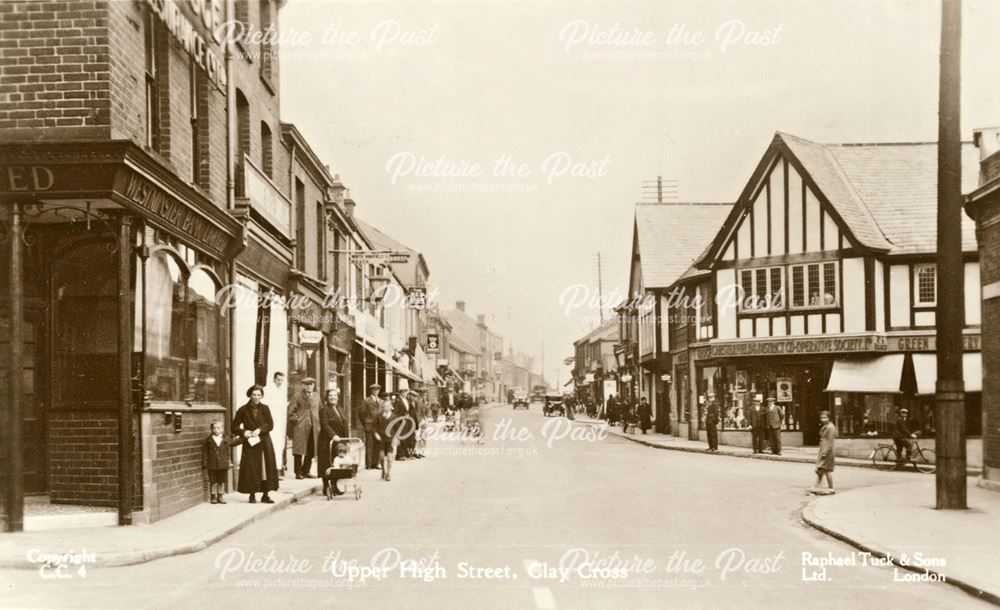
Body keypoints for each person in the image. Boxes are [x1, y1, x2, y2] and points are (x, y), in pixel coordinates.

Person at [233, 384, 279, 503]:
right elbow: (234, 426)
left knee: (265, 467)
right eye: (254, 394)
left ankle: (265, 494)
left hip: (264, 441)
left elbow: (270, 424)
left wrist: (260, 429)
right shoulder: (243, 409)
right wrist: (244, 431)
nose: (256, 397)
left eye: (259, 395)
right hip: (250, 443)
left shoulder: (265, 408)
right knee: (251, 468)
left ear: (262, 396)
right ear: (250, 395)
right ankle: (252, 494)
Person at [288, 377, 320, 479]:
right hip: (301, 426)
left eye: (311, 384)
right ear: (303, 385)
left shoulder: (316, 396)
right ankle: (298, 472)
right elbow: (290, 411)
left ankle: (306, 470)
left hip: (314, 427)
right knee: (299, 450)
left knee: (311, 449)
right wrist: (296, 420)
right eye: (306, 384)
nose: (309, 386)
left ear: (314, 385)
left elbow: (321, 409)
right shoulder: (297, 396)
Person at [318, 387, 348, 494]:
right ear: (327, 397)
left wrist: (346, 440)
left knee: (336, 464)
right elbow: (325, 425)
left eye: (335, 396)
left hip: (339, 442)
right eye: (330, 395)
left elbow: (344, 425)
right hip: (327, 441)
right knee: (326, 464)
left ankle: (335, 486)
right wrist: (333, 435)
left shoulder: (340, 409)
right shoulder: (324, 410)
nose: (333, 397)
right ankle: (326, 487)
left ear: (337, 397)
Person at [202, 421, 235, 504]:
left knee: (221, 480)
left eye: (218, 428)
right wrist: (205, 464)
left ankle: (220, 496)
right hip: (212, 464)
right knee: (213, 480)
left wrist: (245, 437)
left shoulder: (226, 439)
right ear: (211, 429)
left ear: (222, 429)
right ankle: (213, 496)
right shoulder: (208, 440)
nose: (215, 430)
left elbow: (234, 443)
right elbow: (205, 452)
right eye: (214, 428)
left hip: (223, 464)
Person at [358, 384, 382, 470]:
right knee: (369, 444)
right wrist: (365, 423)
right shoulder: (366, 400)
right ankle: (368, 464)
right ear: (371, 390)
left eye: (378, 389)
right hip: (369, 425)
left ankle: (376, 463)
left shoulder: (381, 401)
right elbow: (361, 413)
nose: (376, 391)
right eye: (374, 389)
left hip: (378, 426)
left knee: (377, 444)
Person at [375, 393, 397, 481]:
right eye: (384, 406)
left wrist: (397, 438)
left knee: (389, 456)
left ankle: (388, 473)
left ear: (391, 406)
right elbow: (374, 426)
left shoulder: (394, 416)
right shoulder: (379, 416)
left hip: (390, 439)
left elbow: (398, 428)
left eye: (387, 406)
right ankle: (383, 470)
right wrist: (375, 434)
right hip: (381, 439)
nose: (385, 407)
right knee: (381, 456)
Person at [814, 410, 837, 493]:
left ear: (829, 418)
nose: (823, 419)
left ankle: (831, 488)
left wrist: (825, 452)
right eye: (822, 417)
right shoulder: (825, 426)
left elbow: (830, 441)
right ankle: (816, 487)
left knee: (826, 470)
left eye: (825, 417)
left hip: (828, 450)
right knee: (820, 469)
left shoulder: (831, 427)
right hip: (823, 449)